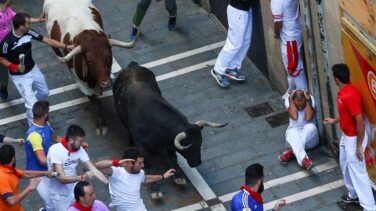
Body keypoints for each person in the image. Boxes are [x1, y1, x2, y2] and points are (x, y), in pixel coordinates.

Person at [0, 12, 74, 125]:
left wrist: (65, 46)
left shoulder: (28, 32)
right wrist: (14, 66)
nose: (30, 25)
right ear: (21, 27)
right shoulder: (7, 42)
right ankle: (33, 125)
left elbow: (47, 40)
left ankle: (32, 103)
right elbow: (1, 59)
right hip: (19, 76)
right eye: (28, 23)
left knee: (44, 92)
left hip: (32, 69)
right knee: (31, 105)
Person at [324, 64, 376, 211]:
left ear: (336, 79)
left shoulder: (348, 95)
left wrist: (359, 146)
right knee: (345, 165)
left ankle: (370, 206)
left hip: (354, 138)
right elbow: (347, 114)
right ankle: (353, 193)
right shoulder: (345, 92)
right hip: (347, 135)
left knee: (358, 171)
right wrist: (334, 120)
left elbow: (359, 121)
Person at [47, 124, 108, 211]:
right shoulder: (54, 150)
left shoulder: (79, 150)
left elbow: (93, 169)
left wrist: (108, 184)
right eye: (80, 141)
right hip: (60, 197)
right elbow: (62, 179)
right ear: (71, 140)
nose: (83, 144)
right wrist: (82, 177)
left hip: (75, 191)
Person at [95, 147, 176, 211]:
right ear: (130, 163)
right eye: (140, 163)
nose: (143, 165)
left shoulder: (140, 173)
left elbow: (145, 178)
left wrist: (163, 176)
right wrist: (117, 162)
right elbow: (98, 165)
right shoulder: (116, 172)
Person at [0, 1, 44, 100]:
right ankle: (3, 86)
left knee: (17, 65)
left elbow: (22, 21)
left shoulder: (8, 10)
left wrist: (38, 20)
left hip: (10, 45)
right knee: (3, 71)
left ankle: (22, 81)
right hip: (1, 47)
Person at [25, 100, 62, 210]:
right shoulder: (34, 135)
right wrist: (60, 161)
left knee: (59, 195)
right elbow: (42, 159)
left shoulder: (46, 124)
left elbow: (55, 138)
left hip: (49, 170)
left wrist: (70, 143)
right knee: (50, 202)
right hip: (38, 175)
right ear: (46, 114)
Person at [210, 0, 253, 88]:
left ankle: (231, 67)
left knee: (245, 41)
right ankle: (218, 70)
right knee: (234, 43)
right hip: (237, 10)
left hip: (246, 9)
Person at [270, 0, 308, 99]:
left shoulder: (277, 2)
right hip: (295, 32)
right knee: (292, 67)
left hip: (290, 39)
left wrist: (276, 33)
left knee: (293, 69)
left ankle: (305, 96)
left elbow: (278, 23)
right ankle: (291, 90)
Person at [0, 144, 55, 211]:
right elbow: (12, 201)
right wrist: (29, 187)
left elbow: (25, 174)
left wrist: (45, 173)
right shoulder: (2, 177)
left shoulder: (7, 169)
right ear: (13, 158)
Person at [278, 89, 318, 170]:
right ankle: (304, 160)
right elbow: (294, 116)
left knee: (310, 127)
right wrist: (291, 100)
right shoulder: (288, 100)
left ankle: (292, 152)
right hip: (294, 138)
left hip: (310, 140)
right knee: (291, 132)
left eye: (302, 105)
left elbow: (308, 118)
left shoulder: (310, 99)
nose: (300, 107)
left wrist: (307, 101)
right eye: (297, 105)